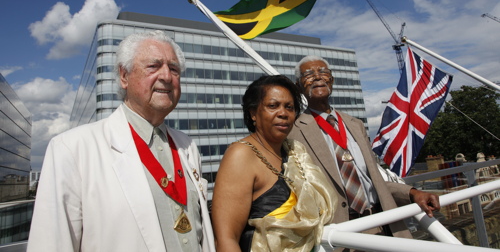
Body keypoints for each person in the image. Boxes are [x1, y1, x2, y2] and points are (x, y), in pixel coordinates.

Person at [27, 31, 215, 252]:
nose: (166, 76)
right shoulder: (72, 149)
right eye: (153, 66)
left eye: (174, 69)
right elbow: (52, 244)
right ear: (124, 76)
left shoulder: (187, 146)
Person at [288, 56, 441, 247]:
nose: (318, 77)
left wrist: (412, 193)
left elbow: (375, 180)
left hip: (383, 226)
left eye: (323, 72)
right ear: (298, 86)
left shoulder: (355, 125)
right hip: (341, 235)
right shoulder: (294, 132)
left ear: (332, 80)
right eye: (309, 74)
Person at [211, 75, 337, 252]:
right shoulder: (241, 155)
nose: (283, 113)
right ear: (253, 113)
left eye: (289, 107)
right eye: (272, 106)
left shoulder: (295, 151)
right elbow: (226, 239)